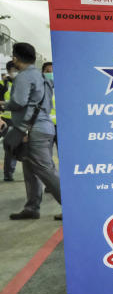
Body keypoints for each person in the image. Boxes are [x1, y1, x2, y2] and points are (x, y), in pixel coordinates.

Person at [5, 43, 61, 220]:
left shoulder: (24, 77)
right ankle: (32, 207)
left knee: (45, 170)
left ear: (15, 57)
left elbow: (19, 102)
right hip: (42, 126)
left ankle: (73, 207)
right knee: (30, 170)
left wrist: (4, 105)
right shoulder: (42, 76)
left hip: (32, 129)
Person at [2, 60, 18, 181]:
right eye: (15, 70)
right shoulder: (3, 84)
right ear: (8, 71)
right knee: (10, 148)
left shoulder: (24, 82)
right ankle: (8, 173)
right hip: (7, 120)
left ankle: (9, 172)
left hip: (22, 119)